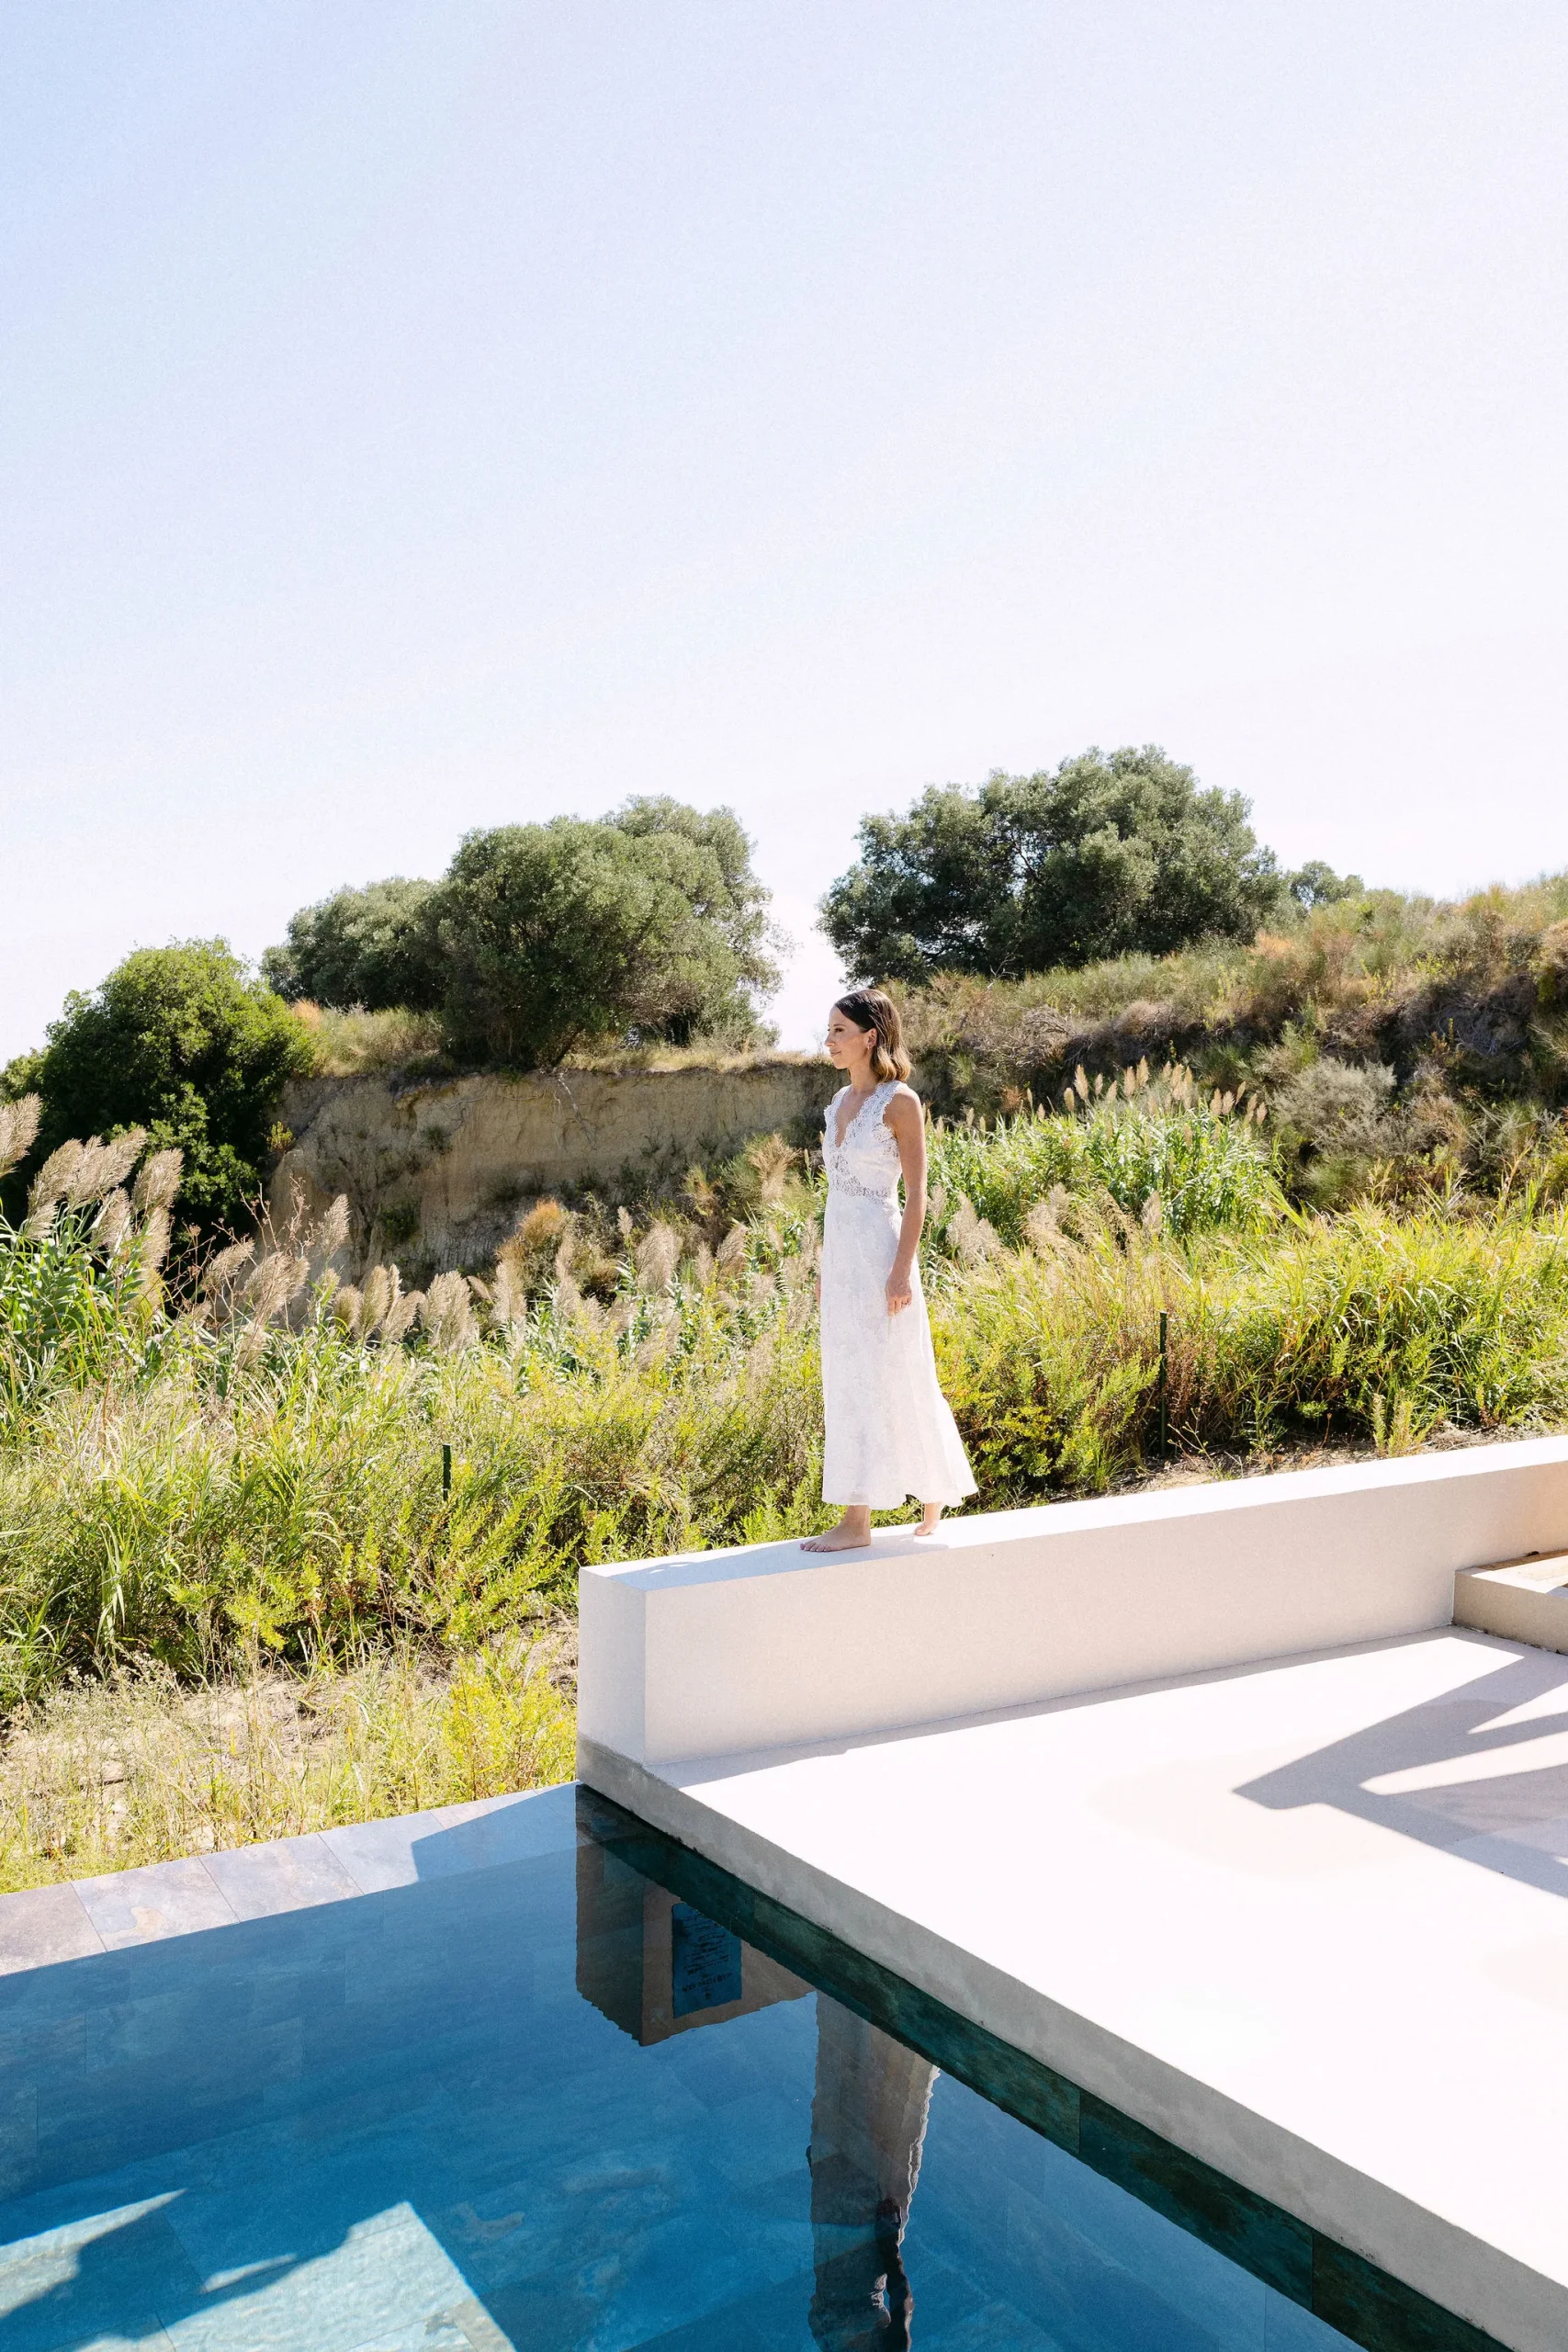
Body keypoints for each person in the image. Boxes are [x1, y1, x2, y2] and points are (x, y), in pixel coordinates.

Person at [802, 988, 976, 1554]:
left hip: (882, 1255)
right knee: (848, 1378)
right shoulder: (837, 1103)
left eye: (839, 1031)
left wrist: (902, 1271)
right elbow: (835, 1195)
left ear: (870, 1036)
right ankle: (886, 1505)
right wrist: (826, 1267)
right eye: (829, 1031)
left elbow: (917, 1193)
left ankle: (866, 1518)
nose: (829, 1041)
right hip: (844, 1260)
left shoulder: (901, 1102)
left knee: (899, 1368)